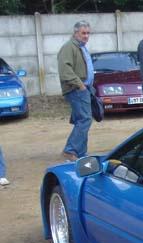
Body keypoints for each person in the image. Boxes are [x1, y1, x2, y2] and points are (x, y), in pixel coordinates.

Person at [57, 20, 94, 162]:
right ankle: (70, 150)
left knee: (83, 119)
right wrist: (80, 85)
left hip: (83, 89)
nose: (86, 36)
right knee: (85, 119)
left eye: (88, 33)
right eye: (83, 33)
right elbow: (65, 70)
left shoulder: (80, 47)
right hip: (76, 89)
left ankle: (80, 153)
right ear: (76, 33)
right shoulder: (69, 47)